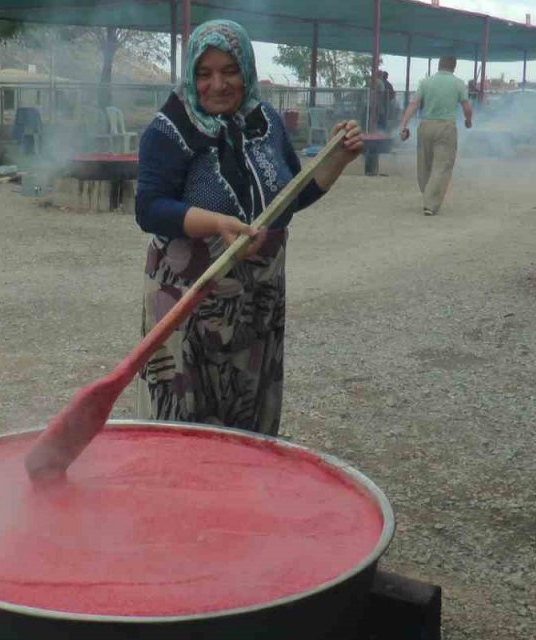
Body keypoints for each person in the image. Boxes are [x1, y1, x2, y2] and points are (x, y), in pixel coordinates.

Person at [133, 19, 364, 435]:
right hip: (190, 297)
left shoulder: (266, 121)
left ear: (247, 70)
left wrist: (338, 160)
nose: (217, 84)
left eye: (230, 71)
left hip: (258, 299)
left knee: (247, 407)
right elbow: (149, 208)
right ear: (191, 75)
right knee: (186, 416)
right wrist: (216, 222)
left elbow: (291, 197)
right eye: (204, 74)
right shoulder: (169, 129)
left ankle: (241, 494)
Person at [397, 56, 472, 216]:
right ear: (454, 67)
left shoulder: (426, 82)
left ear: (439, 66)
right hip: (446, 128)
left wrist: (403, 124)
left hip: (425, 126)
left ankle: (427, 193)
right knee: (442, 165)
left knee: (424, 163)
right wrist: (468, 120)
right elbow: (466, 106)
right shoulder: (458, 83)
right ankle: (430, 204)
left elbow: (414, 104)